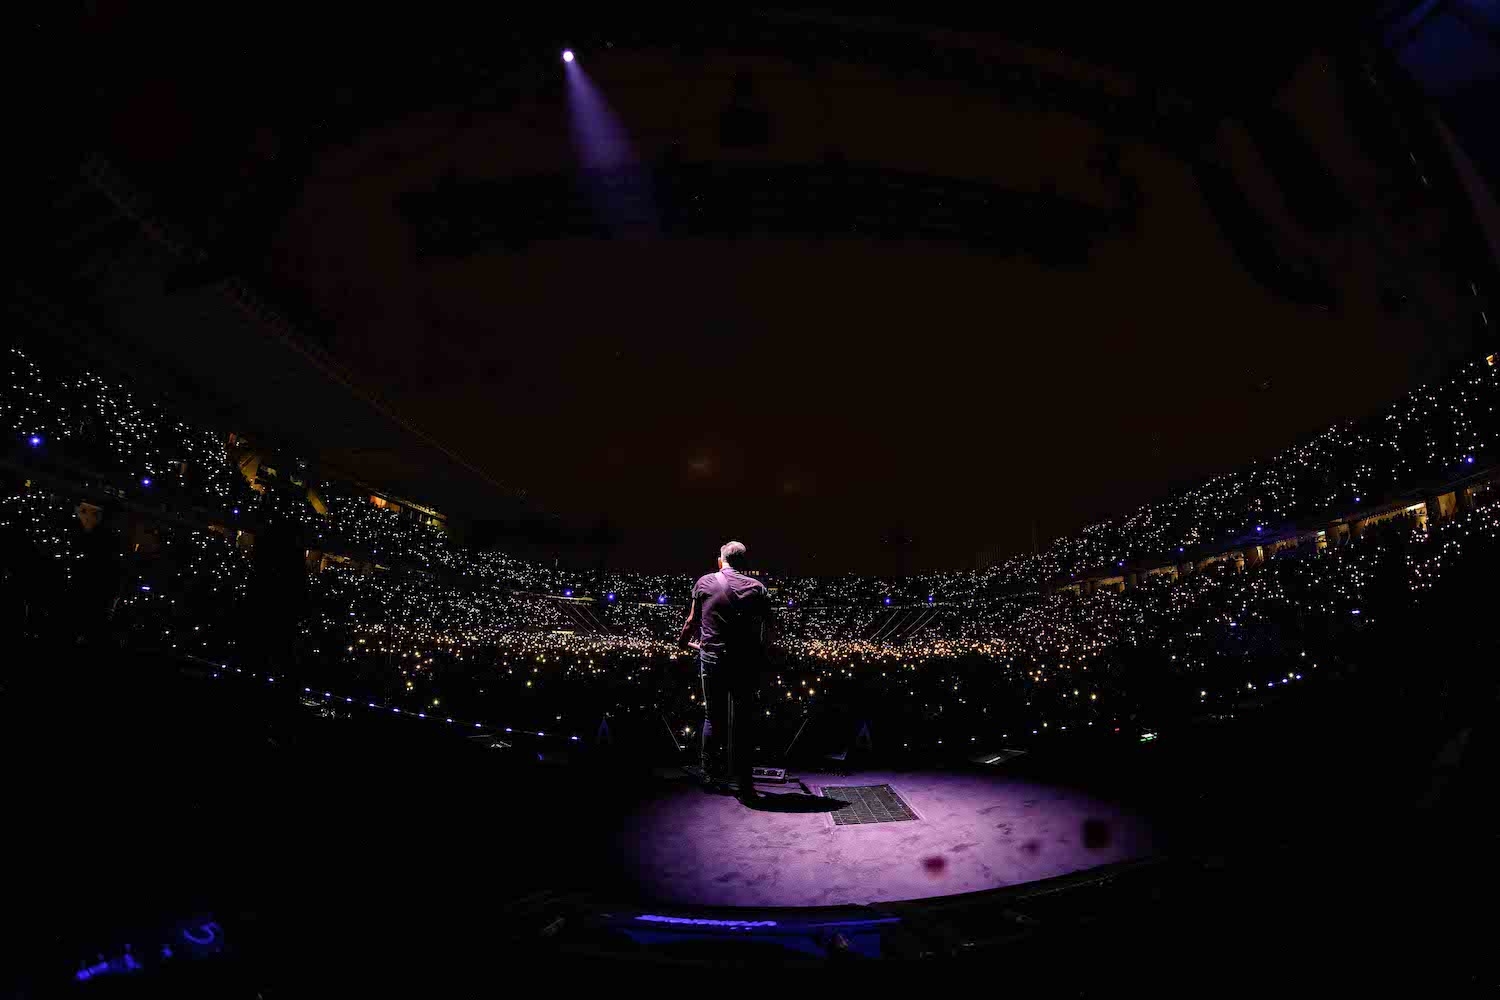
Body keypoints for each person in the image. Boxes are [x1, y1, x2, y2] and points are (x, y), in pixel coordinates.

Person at [679, 540, 773, 804]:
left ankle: (709, 774)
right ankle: (745, 782)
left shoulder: (704, 582)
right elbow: (768, 632)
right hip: (744, 664)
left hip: (712, 660)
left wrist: (683, 641)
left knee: (713, 716)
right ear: (744, 563)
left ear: (720, 561)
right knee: (743, 722)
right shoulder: (758, 588)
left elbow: (692, 620)